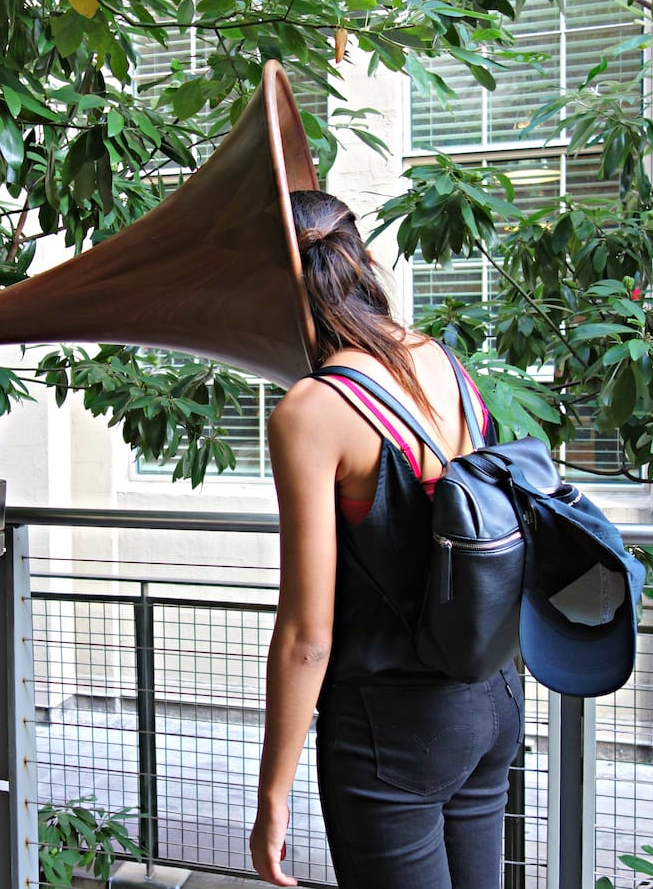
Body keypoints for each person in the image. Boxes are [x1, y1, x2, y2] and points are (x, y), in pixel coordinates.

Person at [249, 189, 523, 888]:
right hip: (490, 698)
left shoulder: (312, 412)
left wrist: (272, 794)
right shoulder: (441, 360)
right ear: (365, 263)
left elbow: (307, 634)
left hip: (391, 731)